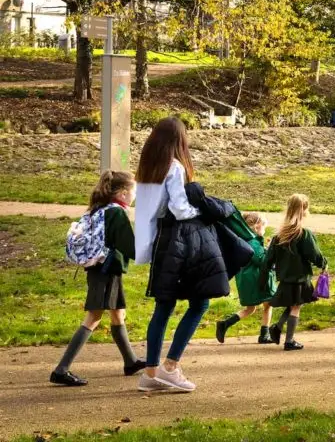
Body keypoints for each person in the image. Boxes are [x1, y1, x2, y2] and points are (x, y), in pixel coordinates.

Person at [50, 171, 146, 386]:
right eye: (134, 191)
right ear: (122, 193)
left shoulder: (99, 210)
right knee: (94, 317)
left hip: (100, 268)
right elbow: (129, 246)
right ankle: (61, 369)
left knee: (118, 313)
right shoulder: (116, 213)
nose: (134, 196)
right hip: (106, 270)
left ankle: (130, 361)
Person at [133, 117, 206, 393]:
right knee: (200, 303)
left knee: (163, 307)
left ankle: (151, 372)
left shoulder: (147, 169)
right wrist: (201, 212)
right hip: (176, 241)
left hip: (156, 243)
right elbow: (179, 208)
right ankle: (171, 367)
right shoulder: (174, 168)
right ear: (179, 141)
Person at [262, 194, 327, 351]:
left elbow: (268, 259)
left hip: (285, 276)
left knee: (293, 304)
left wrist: (263, 279)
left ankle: (277, 328)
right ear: (304, 210)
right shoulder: (303, 234)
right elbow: (315, 255)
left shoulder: (279, 235)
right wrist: (323, 263)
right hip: (300, 276)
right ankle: (289, 341)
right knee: (296, 306)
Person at [216, 212, 275, 345]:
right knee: (269, 304)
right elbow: (261, 260)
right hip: (256, 279)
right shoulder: (253, 242)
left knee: (251, 308)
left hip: (246, 279)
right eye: (264, 226)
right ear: (256, 227)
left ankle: (225, 324)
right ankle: (264, 335)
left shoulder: (244, 240)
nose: (265, 230)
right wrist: (271, 249)